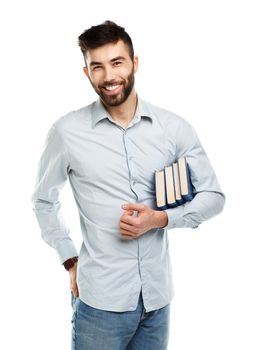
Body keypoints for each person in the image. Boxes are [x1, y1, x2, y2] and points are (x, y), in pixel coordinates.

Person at [32, 20, 225, 350]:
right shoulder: (67, 132)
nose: (108, 76)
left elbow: (213, 196)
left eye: (117, 62)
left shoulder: (173, 128)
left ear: (134, 63)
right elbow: (43, 201)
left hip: (158, 301)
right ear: (87, 73)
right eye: (97, 66)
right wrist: (70, 259)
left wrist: (160, 219)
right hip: (99, 303)